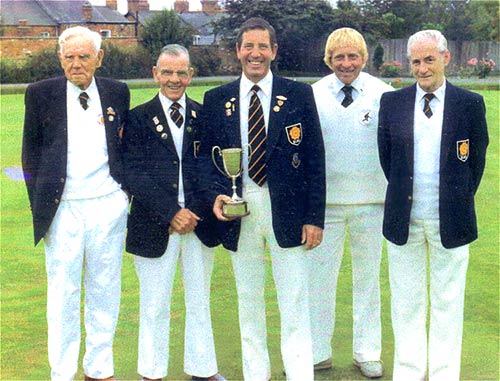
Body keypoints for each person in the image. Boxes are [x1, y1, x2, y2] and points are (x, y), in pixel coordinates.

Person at [199, 17, 326, 381]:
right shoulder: (217, 98)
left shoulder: (299, 94)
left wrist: (314, 217)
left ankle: (300, 374)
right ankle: (257, 374)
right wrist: (216, 198)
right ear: (238, 51)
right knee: (249, 302)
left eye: (262, 47)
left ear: (274, 51)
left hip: (287, 209)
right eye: (248, 46)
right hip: (241, 208)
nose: (255, 54)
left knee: (294, 301)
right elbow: (206, 161)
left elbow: (315, 159)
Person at [377, 30, 489, 381]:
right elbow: (387, 159)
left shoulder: (469, 103)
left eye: (429, 60)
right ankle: (409, 372)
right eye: (416, 61)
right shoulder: (392, 103)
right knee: (406, 303)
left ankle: (443, 374)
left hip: (450, 220)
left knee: (447, 303)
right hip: (404, 219)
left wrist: (453, 200)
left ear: (445, 59)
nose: (422, 68)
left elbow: (476, 163)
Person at [21, 26, 130, 381]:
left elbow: (124, 150)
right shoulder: (39, 94)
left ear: (99, 58)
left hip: (107, 206)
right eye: (69, 57)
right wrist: (43, 207)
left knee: (105, 289)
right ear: (60, 58)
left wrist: (122, 195)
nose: (76, 64)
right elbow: (30, 156)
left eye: (84, 56)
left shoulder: (118, 92)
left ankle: (99, 369)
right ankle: (62, 372)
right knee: (63, 294)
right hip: (63, 209)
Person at [121, 44, 225, 381]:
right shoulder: (137, 117)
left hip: (198, 223)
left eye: (181, 72)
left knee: (199, 300)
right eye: (167, 72)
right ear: (155, 74)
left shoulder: (204, 114)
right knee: (153, 305)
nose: (174, 79)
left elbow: (213, 169)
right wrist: (171, 213)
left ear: (191, 75)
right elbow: (133, 172)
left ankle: (203, 370)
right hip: (154, 224)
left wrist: (191, 211)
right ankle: (151, 374)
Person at [310, 27, 393, 379]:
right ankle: (316, 352)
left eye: (353, 56)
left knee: (368, 280)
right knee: (319, 281)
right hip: (325, 207)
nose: (346, 63)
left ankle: (367, 352)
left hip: (372, 204)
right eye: (339, 57)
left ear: (364, 58)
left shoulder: (384, 94)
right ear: (329, 59)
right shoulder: (311, 94)